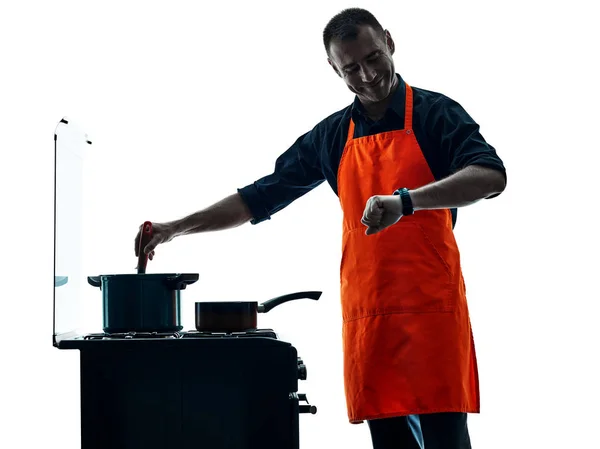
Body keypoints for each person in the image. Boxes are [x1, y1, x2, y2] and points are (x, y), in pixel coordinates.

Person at [134, 7, 506, 449]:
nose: (367, 75)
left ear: (389, 41)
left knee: (447, 440)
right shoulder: (332, 136)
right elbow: (260, 196)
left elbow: (490, 175)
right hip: (370, 315)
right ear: (334, 68)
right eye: (351, 68)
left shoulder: (435, 114)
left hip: (432, 314)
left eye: (373, 58)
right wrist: (174, 228)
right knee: (389, 441)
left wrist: (407, 201)